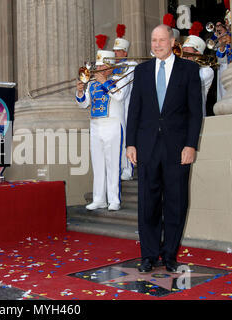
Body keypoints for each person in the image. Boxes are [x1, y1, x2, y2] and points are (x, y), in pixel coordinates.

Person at [126, 24, 202, 273]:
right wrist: (130, 143)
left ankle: (169, 253)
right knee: (148, 203)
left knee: (176, 202)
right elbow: (134, 110)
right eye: (153, 40)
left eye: (161, 40)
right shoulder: (142, 71)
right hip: (146, 148)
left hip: (177, 149)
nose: (156, 44)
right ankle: (148, 255)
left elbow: (195, 113)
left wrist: (191, 144)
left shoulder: (190, 70)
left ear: (172, 42)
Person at [76, 46, 130, 212]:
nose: (97, 69)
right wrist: (79, 92)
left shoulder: (121, 78)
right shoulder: (91, 83)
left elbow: (120, 96)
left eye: (101, 67)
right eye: (97, 66)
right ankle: (99, 198)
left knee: (113, 164)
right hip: (95, 125)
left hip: (113, 124)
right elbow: (84, 104)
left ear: (110, 67)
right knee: (98, 164)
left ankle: (114, 199)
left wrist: (103, 82)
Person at [113, 24, 137, 181]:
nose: (115, 54)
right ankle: (120, 167)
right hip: (115, 107)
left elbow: (125, 87)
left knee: (128, 138)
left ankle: (128, 167)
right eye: (114, 51)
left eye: (118, 51)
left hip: (128, 104)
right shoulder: (112, 67)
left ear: (125, 52)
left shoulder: (131, 65)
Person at [182, 23, 214, 117]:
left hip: (195, 120)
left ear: (197, 53)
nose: (183, 55)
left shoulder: (207, 71)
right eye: (182, 51)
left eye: (186, 51)